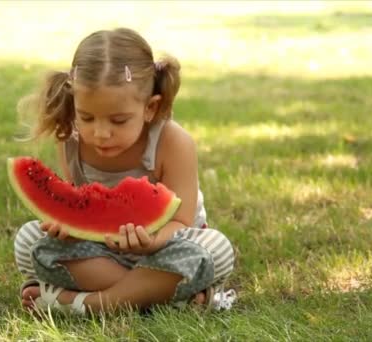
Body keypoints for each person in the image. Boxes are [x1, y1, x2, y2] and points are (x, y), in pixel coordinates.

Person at [14, 28, 236, 315]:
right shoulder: (70, 140)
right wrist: (68, 230)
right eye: (86, 117)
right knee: (28, 240)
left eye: (118, 120)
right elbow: (79, 204)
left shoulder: (172, 142)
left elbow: (181, 222)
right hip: (99, 253)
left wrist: (152, 241)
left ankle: (88, 304)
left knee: (215, 248)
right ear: (74, 104)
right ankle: (165, 298)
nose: (101, 133)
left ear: (150, 108)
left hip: (166, 250)